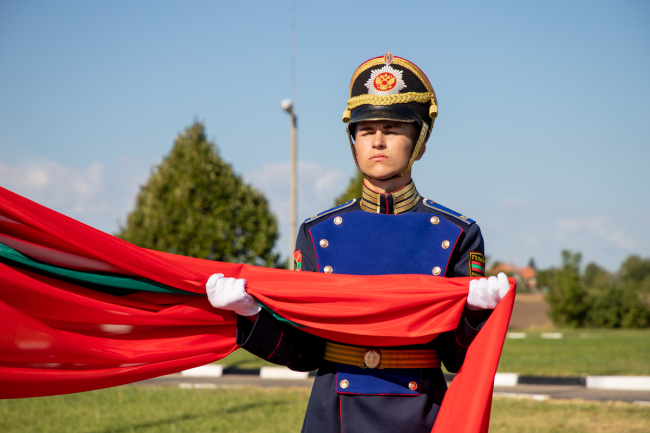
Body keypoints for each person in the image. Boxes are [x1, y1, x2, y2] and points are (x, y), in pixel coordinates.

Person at [206, 53, 509, 433]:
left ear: (420, 143)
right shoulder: (318, 233)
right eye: (365, 130)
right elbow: (304, 352)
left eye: (393, 129)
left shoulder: (457, 233)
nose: (377, 141)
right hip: (334, 413)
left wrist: (476, 315)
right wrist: (250, 313)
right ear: (353, 143)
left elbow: (455, 358)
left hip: (420, 413)